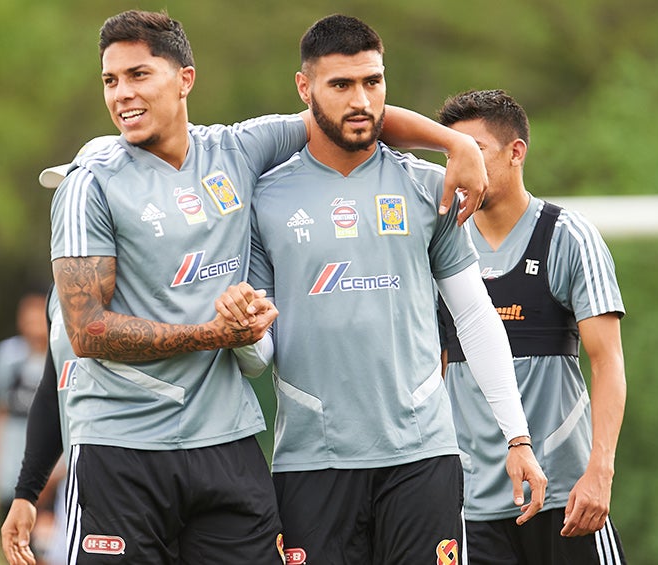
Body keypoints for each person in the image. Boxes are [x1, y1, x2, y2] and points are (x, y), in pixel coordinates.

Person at [13, 9, 497, 565]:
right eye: (110, 80)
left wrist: (455, 146)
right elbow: (87, 332)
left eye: (139, 75)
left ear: (185, 79)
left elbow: (349, 113)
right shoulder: (90, 181)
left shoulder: (236, 150)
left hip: (227, 442)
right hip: (123, 449)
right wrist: (212, 334)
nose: (122, 93)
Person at [216, 16, 547, 564]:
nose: (360, 100)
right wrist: (244, 335)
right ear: (305, 89)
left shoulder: (425, 187)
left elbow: (474, 316)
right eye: (341, 85)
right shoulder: (265, 200)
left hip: (422, 458)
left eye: (373, 82)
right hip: (311, 463)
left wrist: (517, 437)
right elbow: (257, 359)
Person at [435, 89, 628, 564]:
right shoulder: (439, 246)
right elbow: (434, 372)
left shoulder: (568, 237)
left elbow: (607, 363)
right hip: (472, 509)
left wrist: (599, 473)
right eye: (450, 154)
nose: (459, 166)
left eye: (473, 151)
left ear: (516, 152)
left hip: (567, 499)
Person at [0, 290, 58, 559]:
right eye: (27, 313)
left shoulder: (65, 353)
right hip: (10, 479)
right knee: (12, 551)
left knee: (49, 553)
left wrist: (55, 477)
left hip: (55, 483)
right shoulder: (7, 357)